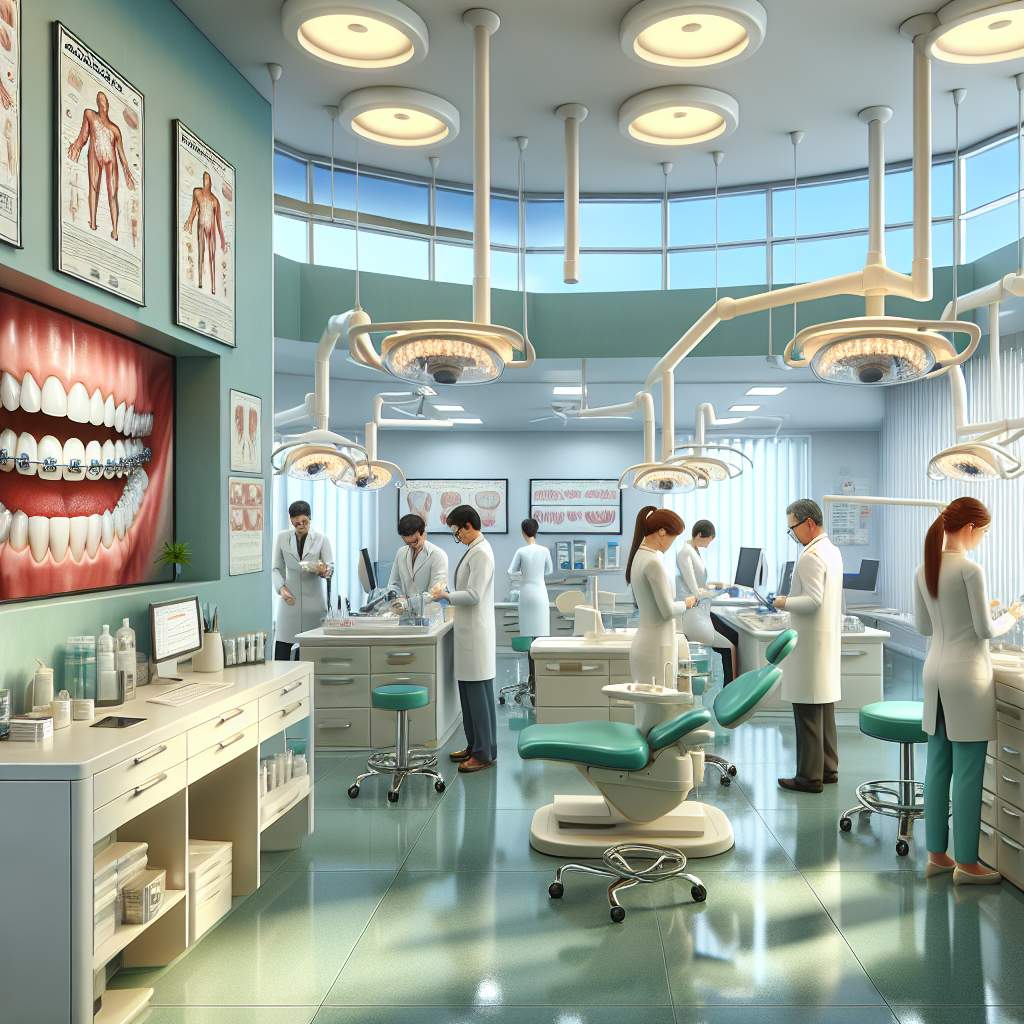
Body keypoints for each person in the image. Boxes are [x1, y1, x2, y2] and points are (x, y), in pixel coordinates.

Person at [914, 497, 1023, 885]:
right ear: (972, 528)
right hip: (968, 677)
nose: (983, 539)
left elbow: (925, 626)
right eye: (985, 532)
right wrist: (1011, 613)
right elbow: (985, 631)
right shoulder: (970, 569)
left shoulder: (924, 567)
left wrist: (976, 611)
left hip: (935, 672)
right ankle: (968, 863)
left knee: (938, 766)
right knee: (968, 772)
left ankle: (937, 855)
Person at [773, 498, 844, 793]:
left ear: (809, 524)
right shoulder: (833, 551)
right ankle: (828, 769)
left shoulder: (810, 556)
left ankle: (808, 777)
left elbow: (813, 600)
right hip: (824, 641)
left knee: (807, 714)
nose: (793, 535)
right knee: (824, 710)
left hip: (810, 645)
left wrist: (782, 602)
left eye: (793, 529)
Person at [431, 505, 497, 773]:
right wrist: (448, 593)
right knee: (470, 696)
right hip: (469, 630)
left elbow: (473, 595)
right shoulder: (475, 549)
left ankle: (483, 753)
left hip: (475, 632)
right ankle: (476, 746)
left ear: (468, 525)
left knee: (478, 697)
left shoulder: (481, 553)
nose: (457, 537)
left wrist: (445, 595)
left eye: (457, 532)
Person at [626, 506, 697, 689]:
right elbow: (667, 611)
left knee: (648, 711)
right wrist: (687, 603)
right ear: (662, 532)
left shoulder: (639, 556)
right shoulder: (653, 562)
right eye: (673, 538)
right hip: (657, 647)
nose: (672, 543)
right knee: (659, 711)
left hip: (648, 644)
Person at [67, 91, 136, 241]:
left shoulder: (115, 129)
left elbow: (121, 153)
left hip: (110, 158)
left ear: (108, 105)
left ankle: (115, 231)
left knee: (113, 194)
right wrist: (77, 146)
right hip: (95, 153)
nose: (101, 101)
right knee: (93, 186)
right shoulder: (90, 115)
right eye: (99, 99)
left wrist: (127, 173)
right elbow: (83, 135)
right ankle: (92, 223)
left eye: (103, 99)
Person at [676, 519, 737, 684]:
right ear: (699, 535)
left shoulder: (693, 550)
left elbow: (699, 584)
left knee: (733, 634)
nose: (710, 543)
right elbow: (695, 591)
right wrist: (722, 592)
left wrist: (717, 585)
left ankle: (730, 687)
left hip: (700, 611)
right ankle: (730, 689)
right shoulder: (685, 552)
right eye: (709, 539)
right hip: (693, 614)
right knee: (730, 646)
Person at [272, 500, 333, 661]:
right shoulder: (282, 538)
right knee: (282, 654)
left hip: (314, 604)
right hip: (289, 602)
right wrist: (282, 589)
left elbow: (330, 568)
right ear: (291, 520)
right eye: (297, 522)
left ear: (310, 518)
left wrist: (324, 570)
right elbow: (276, 569)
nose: (301, 525)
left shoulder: (321, 539)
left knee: (311, 656)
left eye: (304, 521)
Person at [387, 513, 448, 612]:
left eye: (415, 541)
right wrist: (397, 598)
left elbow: (435, 592)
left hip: (429, 613)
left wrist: (409, 603)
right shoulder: (401, 552)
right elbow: (393, 583)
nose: (412, 546)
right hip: (405, 612)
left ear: (423, 534)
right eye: (407, 543)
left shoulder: (438, 555)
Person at [183, 171, 229, 295]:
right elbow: (194, 208)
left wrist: (223, 239)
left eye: (207, 179)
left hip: (211, 229)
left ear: (211, 182)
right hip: (201, 226)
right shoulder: (197, 193)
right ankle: (200, 281)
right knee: (201, 252)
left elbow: (219, 221)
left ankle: (213, 286)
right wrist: (189, 221)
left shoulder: (215, 201)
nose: (206, 181)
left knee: (212, 256)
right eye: (204, 179)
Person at [508, 517, 552, 638]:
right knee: (541, 629)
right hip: (540, 593)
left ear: (523, 532)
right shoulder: (545, 550)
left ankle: (528, 655)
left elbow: (511, 571)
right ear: (536, 531)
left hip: (526, 593)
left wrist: (523, 574)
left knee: (526, 630)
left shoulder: (521, 551)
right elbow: (549, 571)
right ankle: (540, 655)